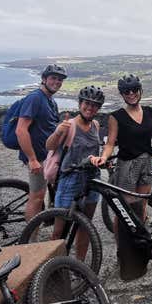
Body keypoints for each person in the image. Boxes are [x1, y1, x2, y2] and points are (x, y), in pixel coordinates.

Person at [97, 74, 152, 279]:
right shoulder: (116, 116)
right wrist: (103, 157)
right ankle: (123, 251)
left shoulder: (150, 112)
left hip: (147, 163)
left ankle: (139, 249)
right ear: (122, 94)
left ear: (140, 91)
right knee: (124, 211)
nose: (132, 94)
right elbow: (110, 143)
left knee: (141, 208)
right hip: (127, 165)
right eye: (127, 91)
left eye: (135, 90)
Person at [45, 86, 104, 261]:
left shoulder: (95, 125)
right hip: (70, 179)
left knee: (85, 226)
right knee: (59, 230)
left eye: (95, 105)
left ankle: (79, 264)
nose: (90, 108)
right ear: (80, 104)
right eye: (87, 103)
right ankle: (53, 266)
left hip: (92, 178)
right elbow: (49, 146)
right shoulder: (68, 125)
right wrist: (58, 132)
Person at [16, 64, 67, 222]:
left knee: (45, 191)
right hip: (37, 157)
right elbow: (21, 130)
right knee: (37, 197)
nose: (56, 82)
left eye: (60, 80)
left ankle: (47, 217)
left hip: (47, 155)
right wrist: (32, 159)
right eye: (53, 78)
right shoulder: (35, 98)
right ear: (44, 79)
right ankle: (30, 241)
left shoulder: (51, 101)